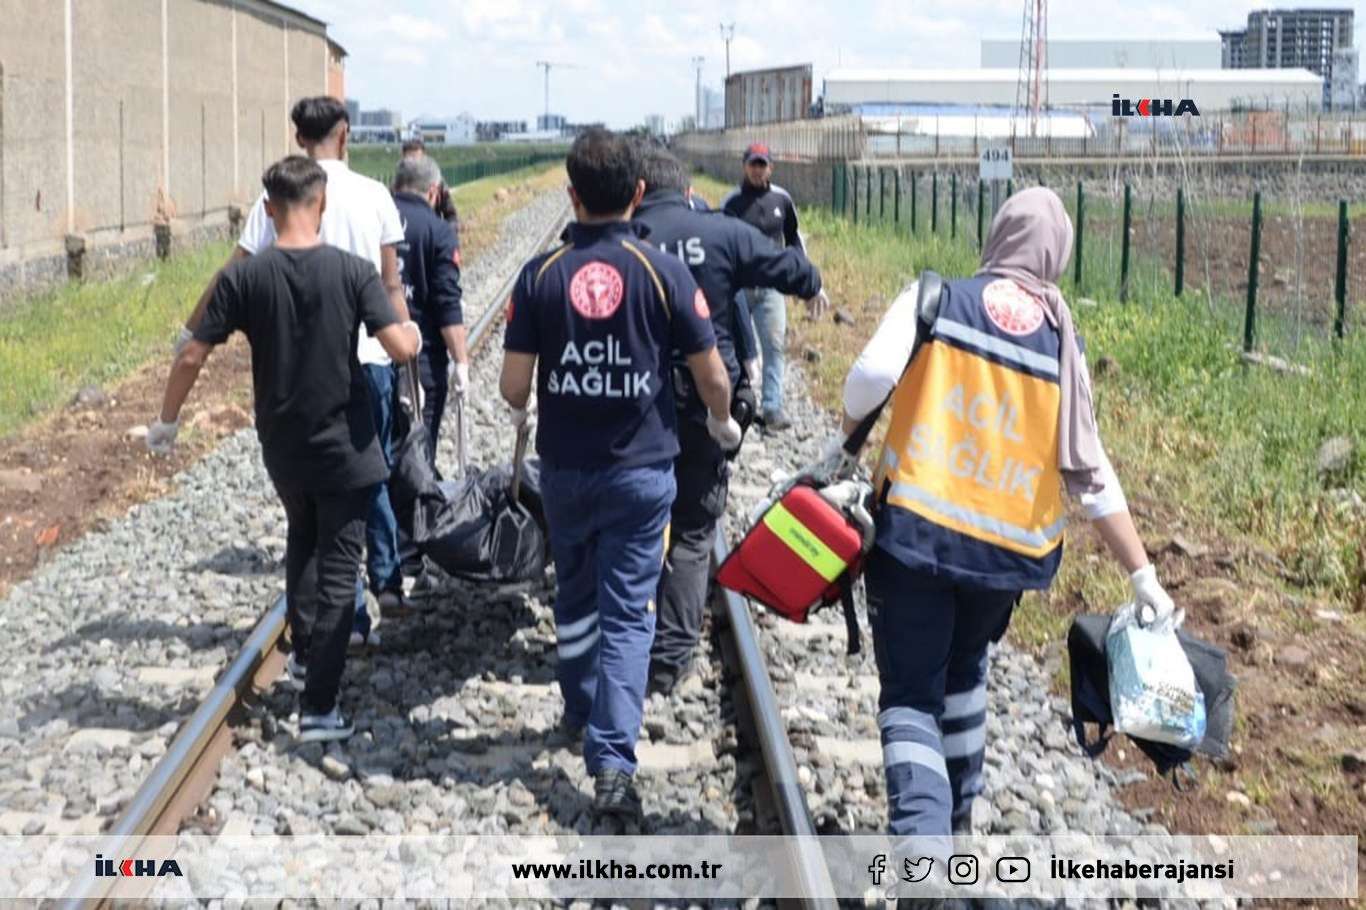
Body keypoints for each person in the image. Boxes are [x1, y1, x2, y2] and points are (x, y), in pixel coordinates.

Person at [831, 187, 1176, 841]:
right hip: (1004, 560)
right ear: (1055, 254)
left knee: (910, 699)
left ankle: (923, 851)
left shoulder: (936, 297)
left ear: (998, 236)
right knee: (965, 677)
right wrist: (1142, 575)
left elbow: (872, 375)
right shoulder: (1059, 338)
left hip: (915, 541)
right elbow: (1091, 473)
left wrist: (844, 437)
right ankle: (956, 828)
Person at [500, 129, 739, 820]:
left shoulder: (540, 276)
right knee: (630, 611)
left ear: (571, 195)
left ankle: (579, 706)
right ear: (638, 194)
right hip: (642, 475)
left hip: (567, 472)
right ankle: (611, 760)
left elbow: (514, 390)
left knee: (574, 597)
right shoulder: (663, 271)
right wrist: (720, 422)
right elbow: (712, 374)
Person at [147, 156, 421, 741]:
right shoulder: (352, 271)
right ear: (320, 204)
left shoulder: (244, 278)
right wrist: (414, 329)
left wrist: (166, 424)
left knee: (303, 539)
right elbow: (399, 347)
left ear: (268, 209)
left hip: (282, 443)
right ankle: (320, 707)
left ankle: (302, 657)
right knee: (341, 566)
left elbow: (193, 353)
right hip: (345, 445)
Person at [179, 96, 410, 647]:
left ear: (298, 135)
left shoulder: (279, 199)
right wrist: (405, 338)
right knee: (369, 476)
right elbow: (391, 280)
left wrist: (193, 329)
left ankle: (346, 618)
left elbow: (235, 270)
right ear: (345, 134)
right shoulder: (375, 193)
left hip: (302, 368)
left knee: (316, 509)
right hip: (373, 356)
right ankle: (388, 578)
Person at [632, 148, 823, 694]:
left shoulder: (622, 235)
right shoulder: (721, 232)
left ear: (639, 189)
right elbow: (794, 269)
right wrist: (807, 281)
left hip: (630, 402)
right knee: (694, 528)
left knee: (632, 520)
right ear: (688, 187)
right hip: (702, 399)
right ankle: (669, 660)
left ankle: (622, 638)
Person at [721, 142, 827, 430]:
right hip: (739, 289)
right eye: (753, 164)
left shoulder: (782, 199)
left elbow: (794, 240)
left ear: (771, 167)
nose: (757, 170)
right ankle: (735, 403)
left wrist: (805, 280)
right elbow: (720, 245)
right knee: (734, 348)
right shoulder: (731, 203)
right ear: (744, 166)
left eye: (762, 164)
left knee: (775, 345)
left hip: (771, 287)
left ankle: (772, 408)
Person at [392, 155, 469, 468]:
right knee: (418, 462)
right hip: (421, 363)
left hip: (371, 353)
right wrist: (461, 361)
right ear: (434, 191)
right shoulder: (438, 231)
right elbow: (446, 303)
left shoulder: (373, 217)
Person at [401, 138, 461, 257]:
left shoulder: (437, 184)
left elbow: (452, 216)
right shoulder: (397, 186)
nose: (414, 165)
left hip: (430, 240)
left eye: (417, 160)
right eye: (410, 160)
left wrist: (444, 237)